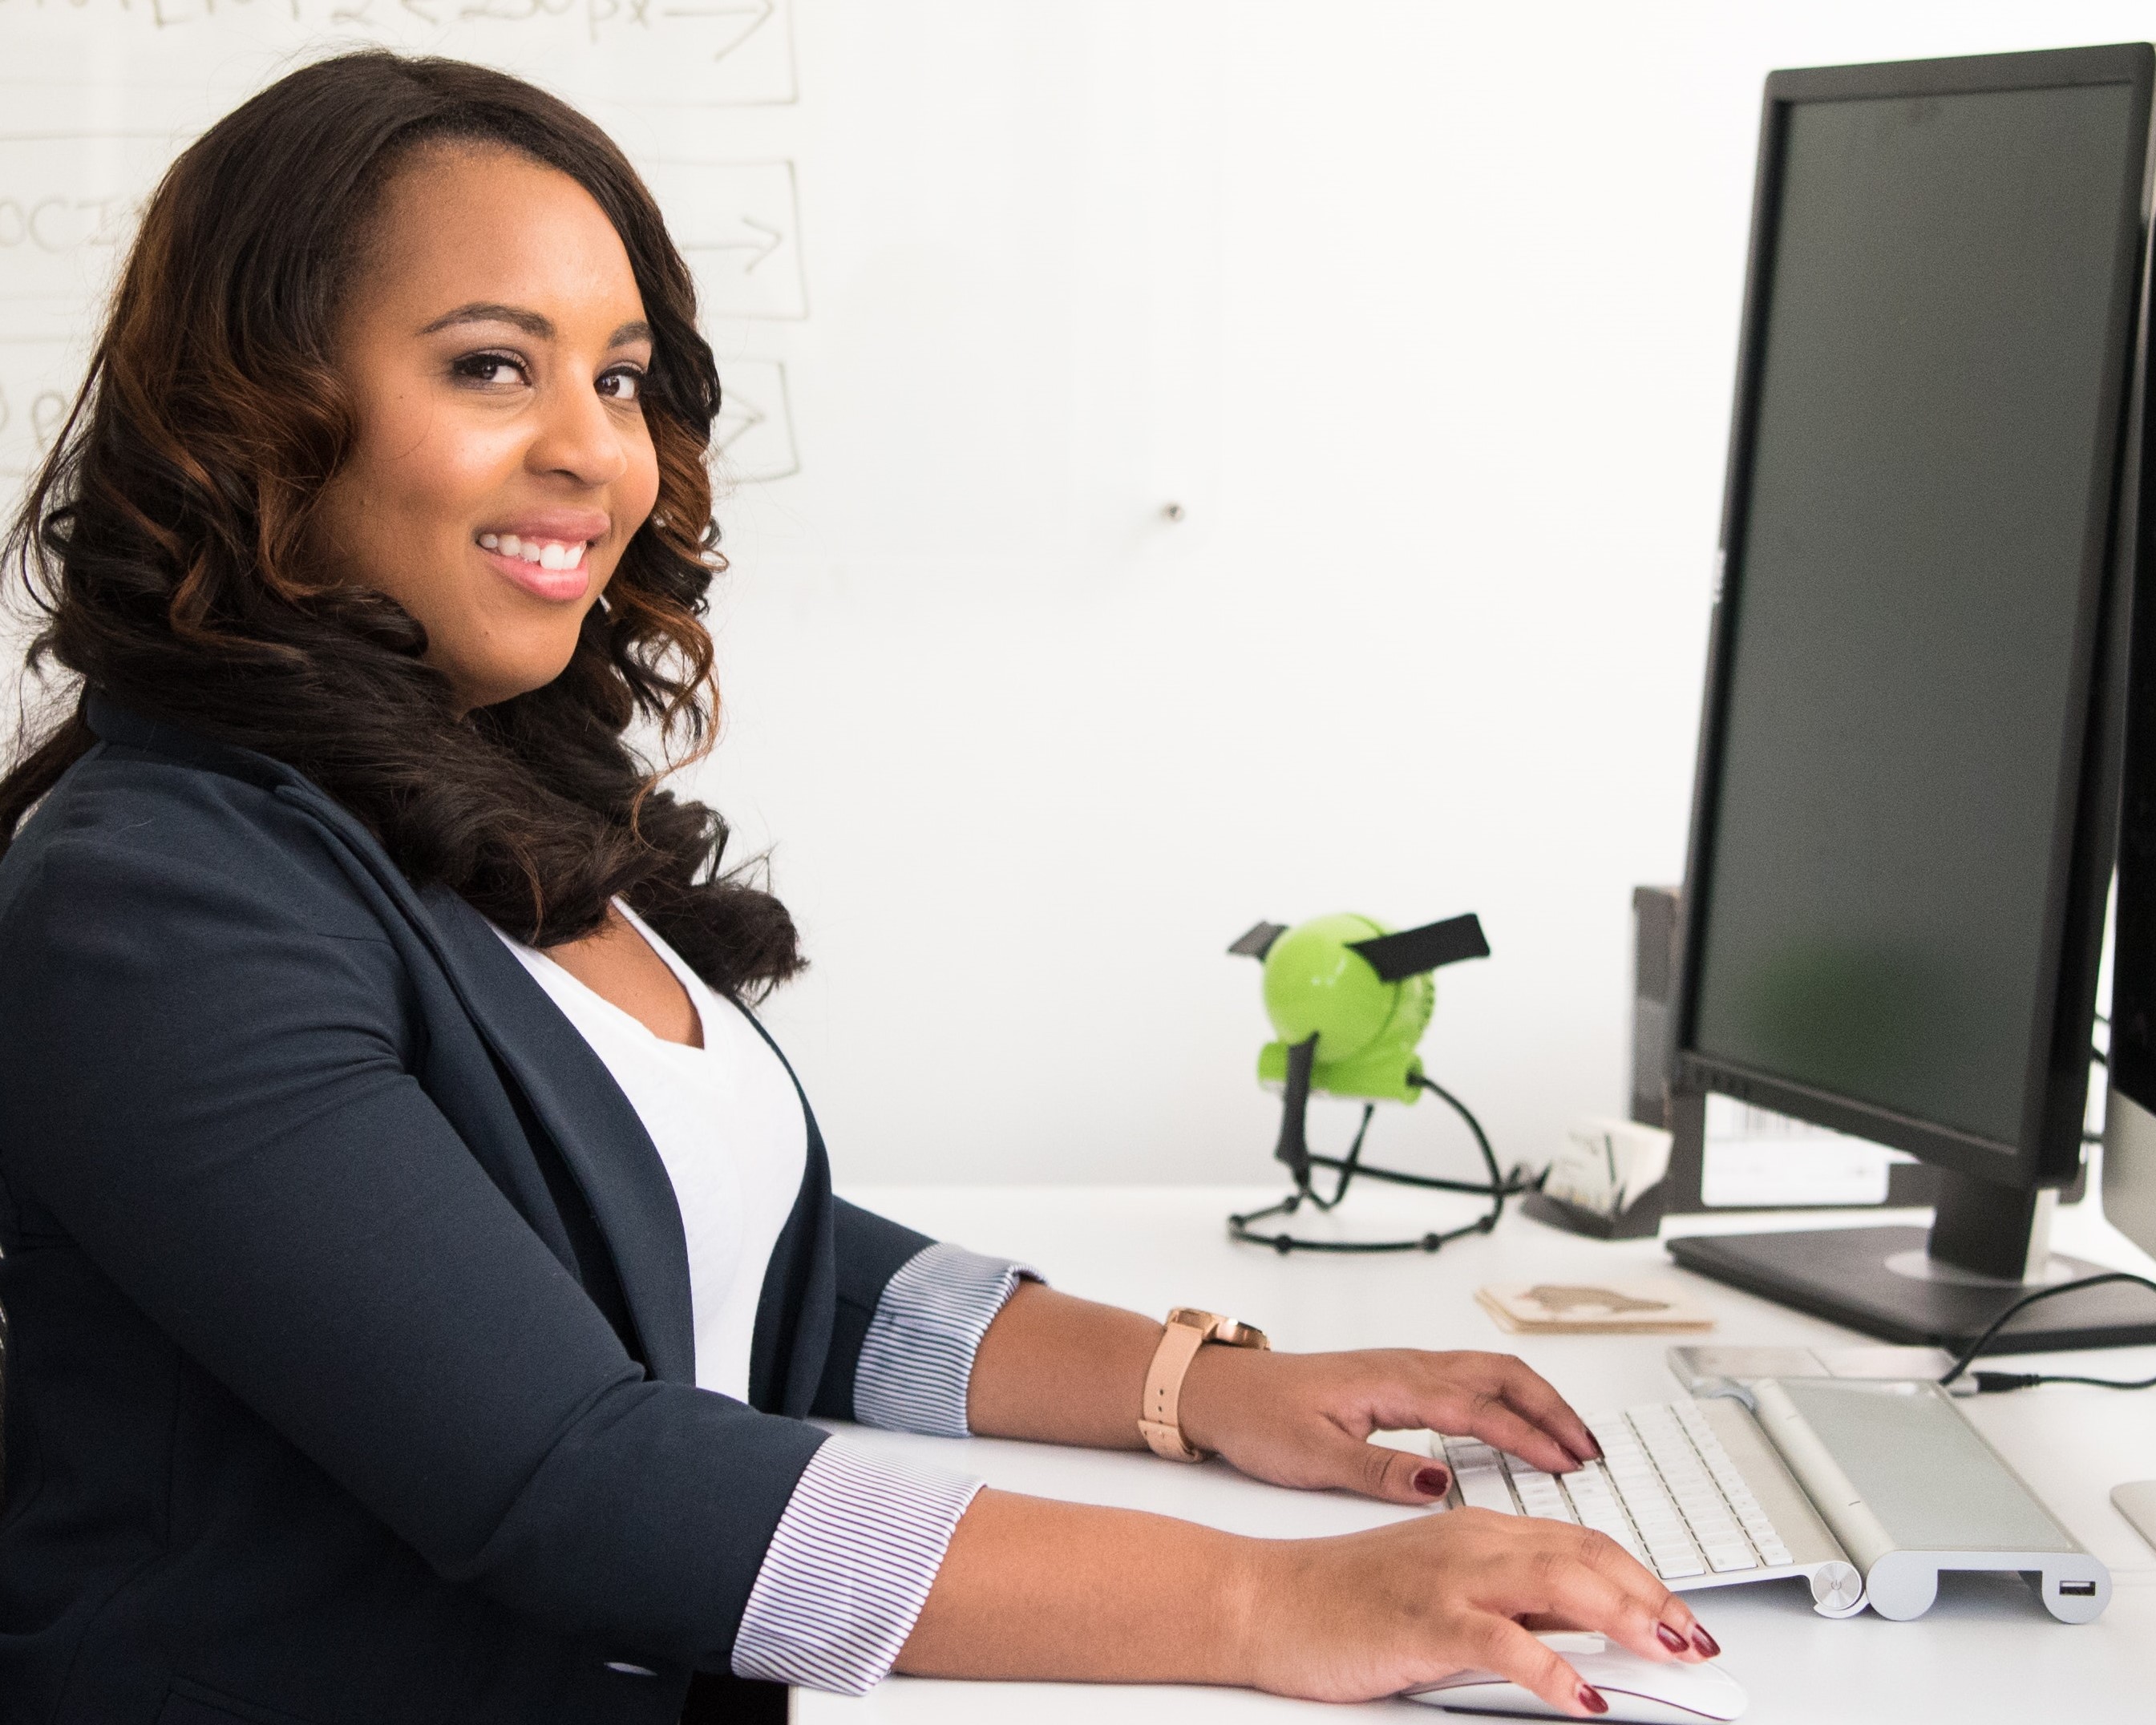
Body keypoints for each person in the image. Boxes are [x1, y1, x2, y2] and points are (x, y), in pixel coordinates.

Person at [0, 51, 1715, 1725]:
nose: (598, 453)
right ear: (260, 415)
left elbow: (778, 1267)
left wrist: (1207, 1387)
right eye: (491, 367)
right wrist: (1275, 1597)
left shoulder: (478, 794)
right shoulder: (158, 901)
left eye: (621, 375)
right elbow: (569, 1469)